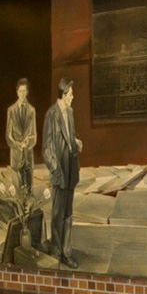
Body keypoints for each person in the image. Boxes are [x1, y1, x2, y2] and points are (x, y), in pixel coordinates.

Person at [43, 77, 83, 270]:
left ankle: (67, 253)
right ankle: (56, 252)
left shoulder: (70, 112)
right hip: (59, 172)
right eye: (71, 94)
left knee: (68, 214)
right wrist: (55, 170)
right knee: (57, 214)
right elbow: (47, 148)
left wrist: (76, 143)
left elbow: (69, 138)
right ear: (64, 94)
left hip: (71, 171)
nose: (73, 97)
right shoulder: (51, 114)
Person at [6, 78, 37, 194]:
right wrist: (16, 144)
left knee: (29, 193)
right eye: (20, 91)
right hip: (16, 156)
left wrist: (27, 142)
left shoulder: (32, 110)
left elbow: (34, 135)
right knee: (18, 194)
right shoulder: (11, 110)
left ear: (28, 92)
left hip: (28, 156)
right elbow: (8, 135)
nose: (22, 94)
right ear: (17, 92)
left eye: (24, 91)